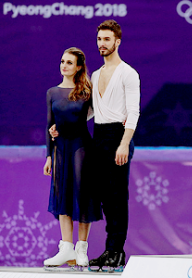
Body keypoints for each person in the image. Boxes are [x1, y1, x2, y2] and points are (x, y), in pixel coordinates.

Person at [87, 19, 140, 272]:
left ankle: (117, 252)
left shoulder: (128, 73)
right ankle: (110, 249)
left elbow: (134, 112)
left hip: (118, 136)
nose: (102, 44)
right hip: (98, 136)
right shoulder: (95, 75)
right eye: (99, 39)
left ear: (117, 41)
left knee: (118, 197)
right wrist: (62, 125)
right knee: (106, 198)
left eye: (107, 39)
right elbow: (90, 110)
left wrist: (124, 143)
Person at [43, 47, 102, 270]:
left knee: (82, 194)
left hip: (82, 147)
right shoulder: (52, 92)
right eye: (62, 61)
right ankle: (66, 247)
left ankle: (81, 248)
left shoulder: (87, 91)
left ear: (78, 67)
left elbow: (98, 113)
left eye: (69, 62)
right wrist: (48, 155)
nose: (64, 65)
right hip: (59, 150)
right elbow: (49, 125)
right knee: (62, 195)